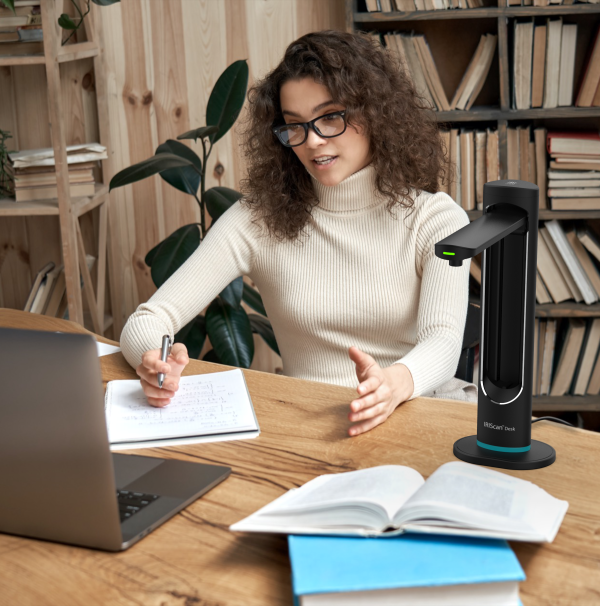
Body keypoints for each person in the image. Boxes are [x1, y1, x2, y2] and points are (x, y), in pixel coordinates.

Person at [120, 30, 474, 437]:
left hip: (416, 414)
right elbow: (149, 320)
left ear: (375, 112)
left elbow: (444, 341)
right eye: (295, 126)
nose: (313, 142)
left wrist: (393, 385)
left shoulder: (435, 219)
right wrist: (153, 361)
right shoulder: (257, 219)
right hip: (309, 429)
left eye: (330, 117)